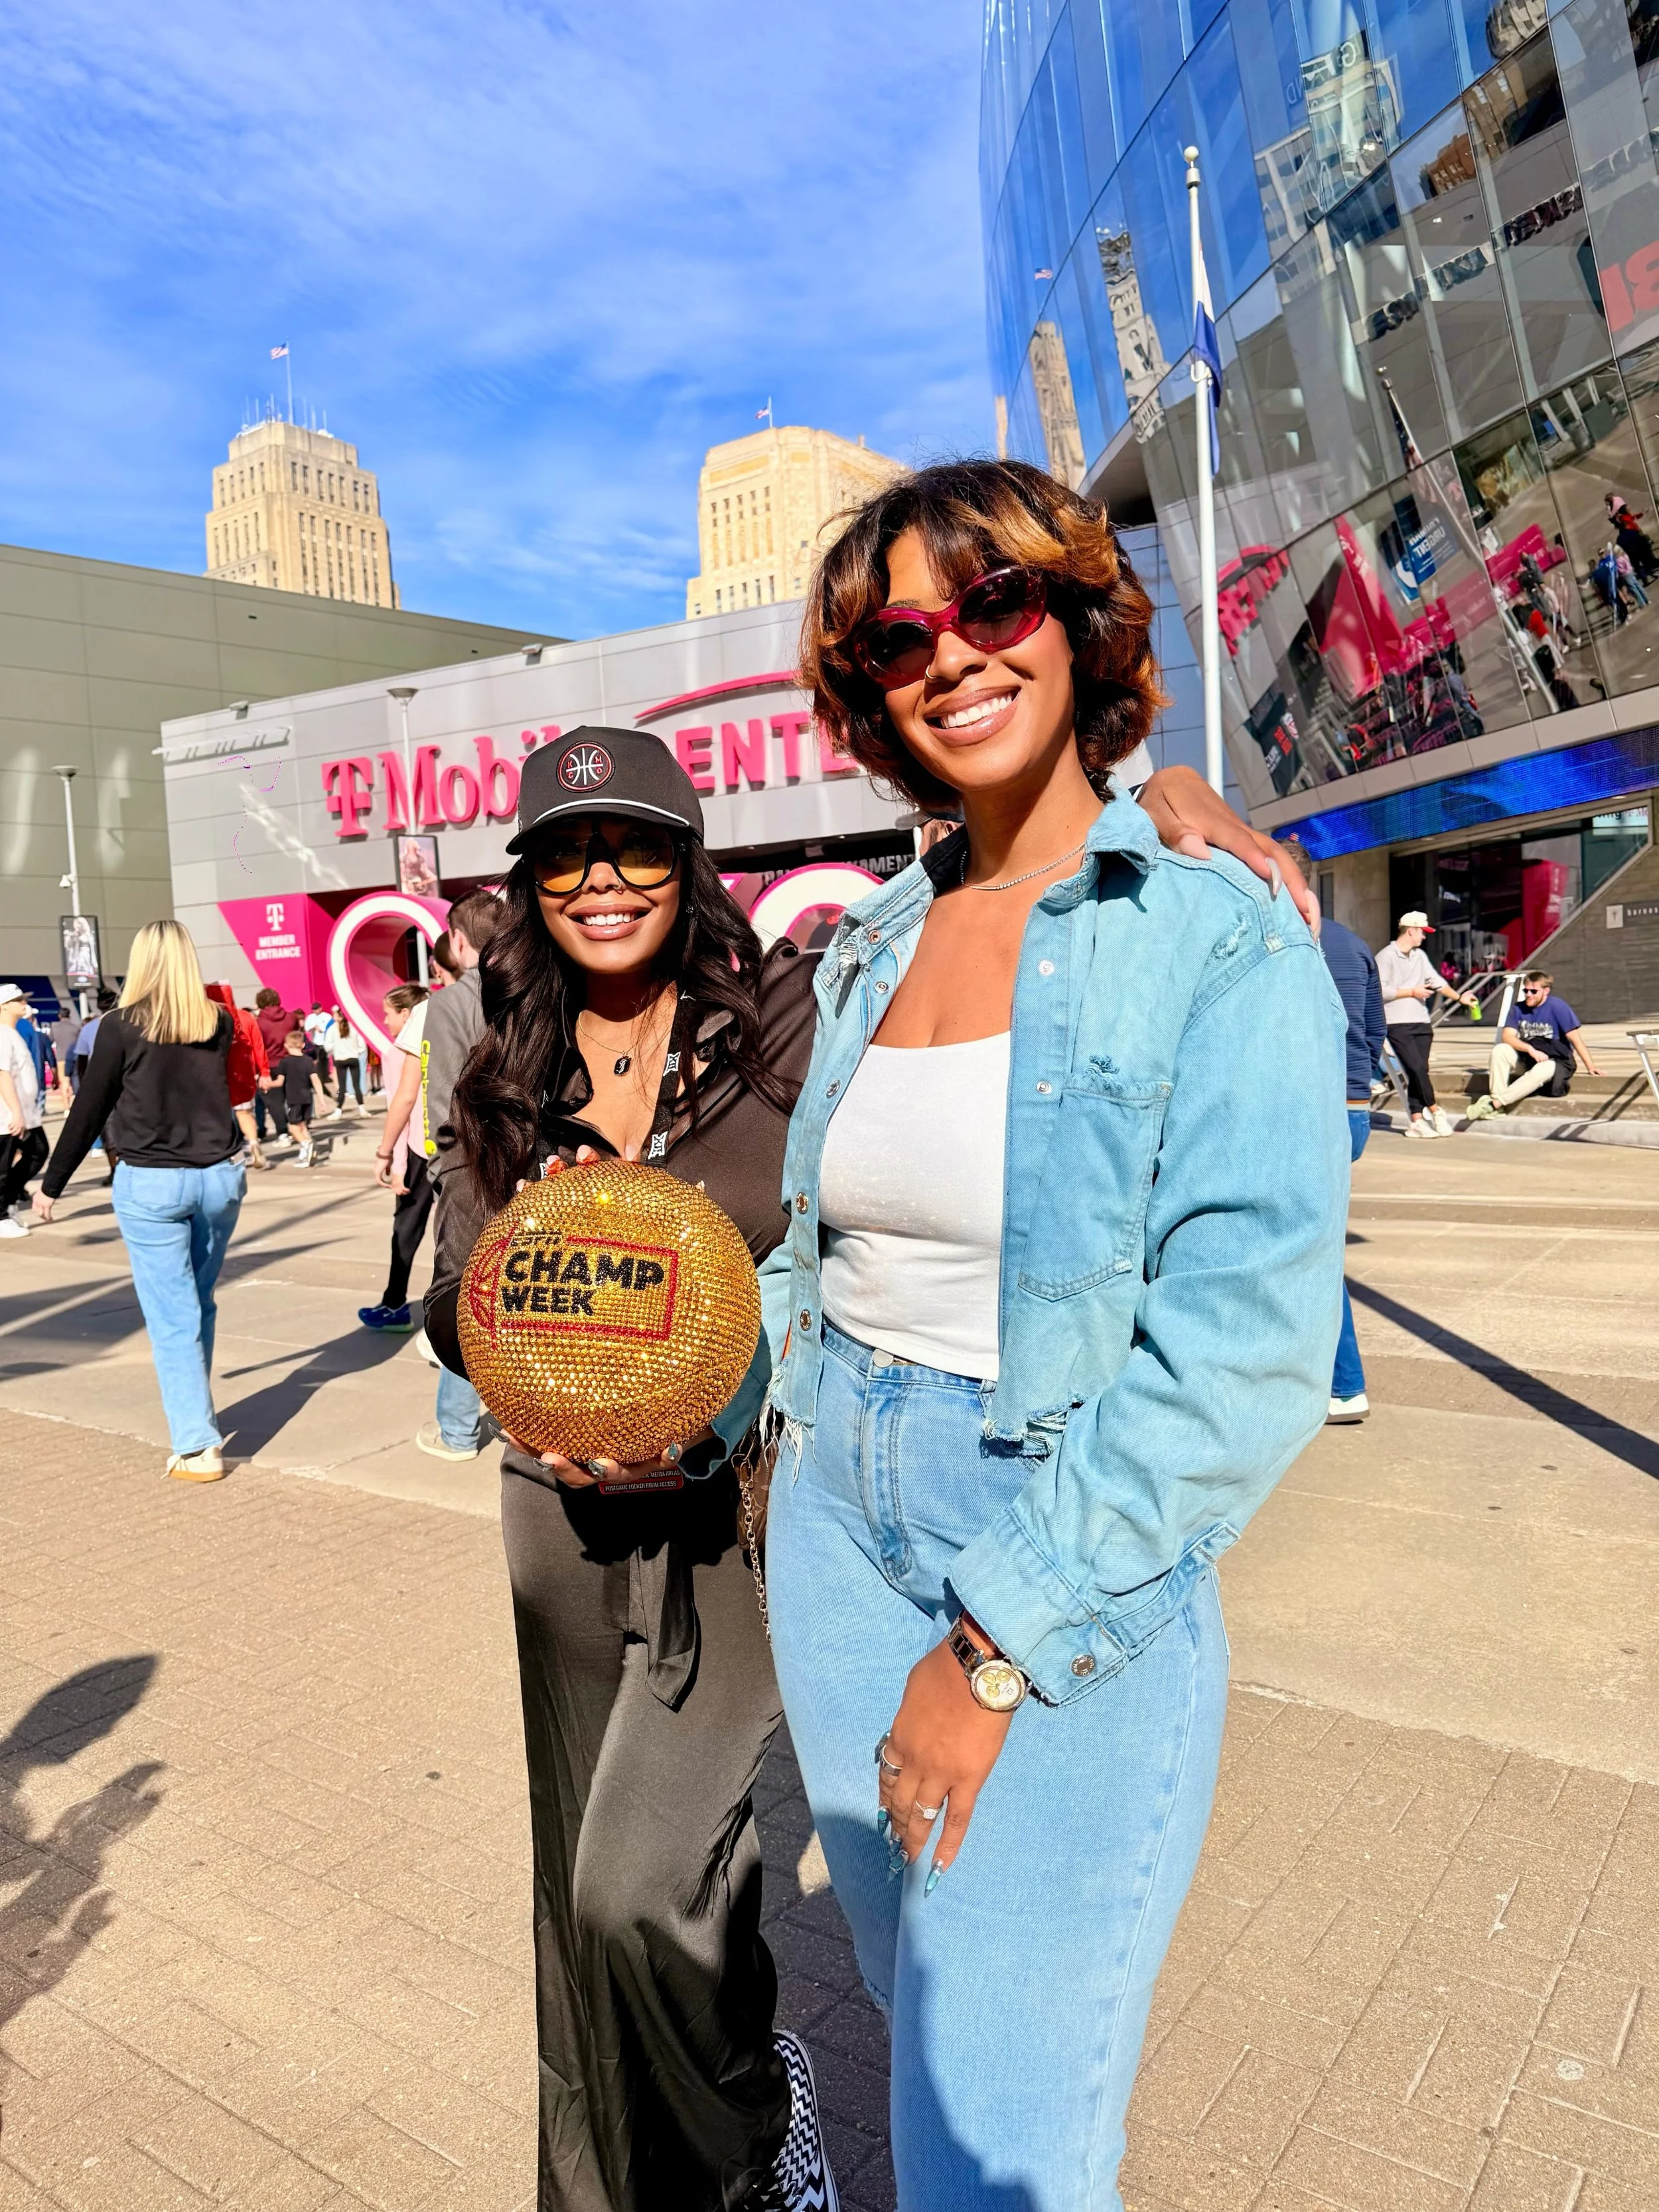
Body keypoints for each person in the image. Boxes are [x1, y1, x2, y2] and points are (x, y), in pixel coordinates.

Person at [762, 459, 1348, 2212]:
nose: (945, 655)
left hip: (1045, 1539)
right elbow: (821, 1256)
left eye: (988, 601)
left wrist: (996, 1641)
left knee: (995, 2146)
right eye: (895, 638)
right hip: (832, 1525)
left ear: (1075, 618)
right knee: (918, 2022)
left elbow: (1246, 1345)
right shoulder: (870, 942)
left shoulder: (1210, 923)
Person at [429, 729, 837, 2212]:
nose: (601, 880)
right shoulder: (494, 1043)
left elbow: (992, 906)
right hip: (554, 1524)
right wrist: (504, 1296)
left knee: (634, 1888)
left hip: (730, 1525)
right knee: (575, 1904)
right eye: (563, 854)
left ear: (689, 855)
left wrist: (1155, 803)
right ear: (528, 883)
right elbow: (446, 1292)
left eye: (635, 845)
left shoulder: (786, 1012)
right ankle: (588, 2190)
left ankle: (744, 2132)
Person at [34, 920, 244, 1481]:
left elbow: (89, 1110)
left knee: (173, 1315)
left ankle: (198, 1444)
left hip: (153, 1181)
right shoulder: (218, 1022)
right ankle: (197, 1414)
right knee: (198, 1302)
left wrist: (52, 1183)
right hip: (219, 1177)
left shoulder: (120, 1027)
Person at [1281, 842, 1383, 1425]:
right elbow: (1374, 1031)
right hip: (1353, 1108)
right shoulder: (1354, 943)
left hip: (1307, 1109)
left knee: (1310, 1250)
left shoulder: (1290, 937)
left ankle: (1343, 1383)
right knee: (1307, 1240)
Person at [406, 889, 500, 1462]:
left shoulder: (445, 1009)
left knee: (469, 1296)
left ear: (459, 942)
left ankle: (459, 1429)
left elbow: (438, 1105)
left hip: (474, 1173)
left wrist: (446, 1175)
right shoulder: (541, 990)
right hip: (542, 1167)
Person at [358, 984, 431, 1335]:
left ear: (406, 1014)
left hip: (416, 1152)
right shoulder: (439, 1037)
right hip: (446, 1145)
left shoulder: (397, 1051)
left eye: (388, 1013)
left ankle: (394, 1305)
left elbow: (402, 1107)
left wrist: (394, 1160)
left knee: (405, 1231)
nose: (385, 1021)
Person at [1376, 909, 1475, 1136]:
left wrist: (1460, 998)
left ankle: (1417, 1121)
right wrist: (1412, 991)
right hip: (1396, 1023)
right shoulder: (1386, 956)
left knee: (1419, 1072)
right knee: (1417, 1068)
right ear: (1411, 931)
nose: (1424, 937)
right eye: (1422, 932)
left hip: (1421, 1021)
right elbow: (1379, 990)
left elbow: (1436, 981)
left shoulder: (1419, 957)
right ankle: (1436, 1109)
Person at [1467, 969, 1602, 1117]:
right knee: (1500, 1050)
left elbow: (1576, 1039)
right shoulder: (1518, 1008)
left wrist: (1591, 1066)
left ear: (1546, 991)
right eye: (1526, 991)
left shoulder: (1558, 1007)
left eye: (1534, 991)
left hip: (1555, 1060)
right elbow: (1508, 1037)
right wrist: (1530, 1049)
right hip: (1529, 1058)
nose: (1529, 995)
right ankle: (1496, 1103)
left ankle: (1495, 1104)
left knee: (1542, 1070)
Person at [0, 985, 49, 1235]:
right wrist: (15, 1112)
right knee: (2, 1166)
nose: (23, 1003)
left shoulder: (13, 1033)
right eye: (17, 999)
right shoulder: (1, 1035)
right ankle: (1, 1215)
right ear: (4, 1005)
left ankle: (8, 1204)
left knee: (38, 1151)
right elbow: (2, 1075)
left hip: (24, 1114)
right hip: (8, 1116)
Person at [206, 984, 271, 1171]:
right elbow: (258, 1046)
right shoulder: (246, 1017)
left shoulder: (210, 1018)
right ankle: (254, 1144)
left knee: (221, 1116)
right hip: (244, 1072)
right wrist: (264, 1072)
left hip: (217, 1074)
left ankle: (231, 1154)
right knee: (244, 1114)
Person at [253, 988, 301, 1144]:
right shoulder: (291, 1018)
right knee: (293, 1098)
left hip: (270, 1065)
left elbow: (257, 1047)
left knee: (273, 1101)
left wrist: (257, 1070)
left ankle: (283, 1132)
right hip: (291, 1062)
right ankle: (299, 1127)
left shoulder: (259, 1023)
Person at [271, 1030, 323, 1165]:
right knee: (303, 1126)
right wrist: (322, 1100)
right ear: (303, 1045)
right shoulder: (308, 1061)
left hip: (294, 1099)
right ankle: (307, 1152)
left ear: (286, 1045)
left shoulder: (285, 1062)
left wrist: (267, 1084)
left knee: (293, 1128)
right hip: (307, 1098)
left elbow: (279, 1082)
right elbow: (316, 1080)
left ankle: (306, 1144)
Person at [330, 1011, 368, 1110]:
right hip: (353, 1058)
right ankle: (361, 1107)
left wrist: (336, 1052)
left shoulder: (333, 1029)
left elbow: (328, 1046)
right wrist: (356, 1052)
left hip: (340, 1059)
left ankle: (339, 1108)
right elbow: (361, 1045)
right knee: (356, 1084)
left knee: (342, 1086)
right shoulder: (353, 1028)